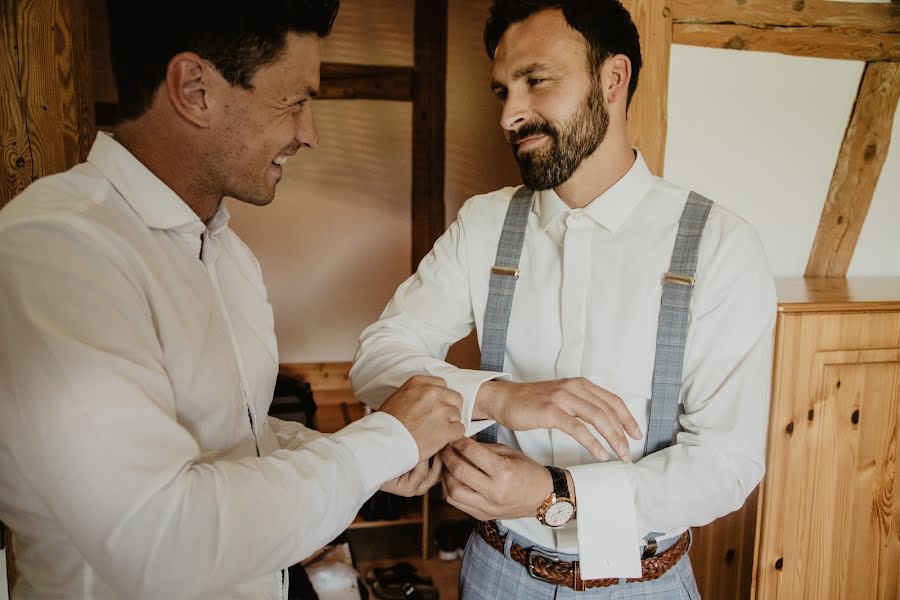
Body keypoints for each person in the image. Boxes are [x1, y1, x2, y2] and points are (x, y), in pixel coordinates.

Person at [0, 2, 465, 598]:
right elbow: (161, 538)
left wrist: (363, 456)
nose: (311, 133)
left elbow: (234, 438)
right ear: (194, 89)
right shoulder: (59, 250)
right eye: (294, 101)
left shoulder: (229, 255)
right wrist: (383, 443)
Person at [350, 0, 777, 597]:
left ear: (612, 79)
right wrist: (499, 398)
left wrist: (556, 495)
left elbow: (727, 466)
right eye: (503, 91)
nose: (509, 114)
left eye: (536, 81)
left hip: (641, 581)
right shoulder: (484, 224)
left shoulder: (720, 246)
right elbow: (379, 356)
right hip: (494, 570)